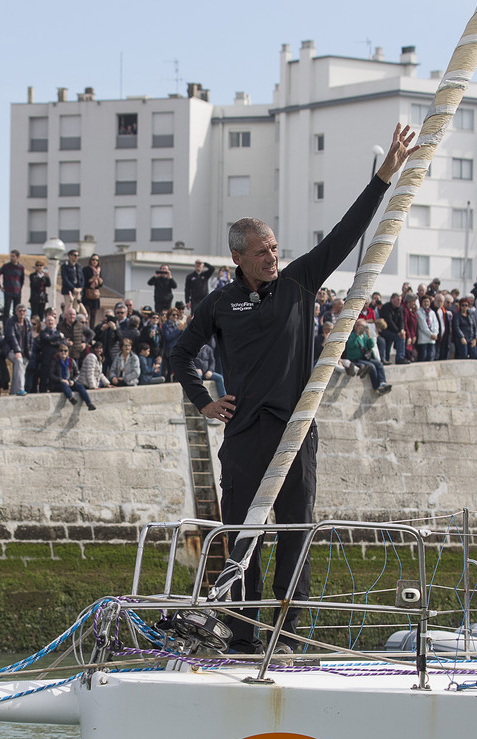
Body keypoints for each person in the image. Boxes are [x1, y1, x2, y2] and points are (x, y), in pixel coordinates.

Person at [169, 122, 416, 653]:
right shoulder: (219, 304)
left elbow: (345, 236)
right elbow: (180, 354)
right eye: (261, 251)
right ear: (238, 256)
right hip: (243, 438)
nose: (271, 257)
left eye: (274, 247)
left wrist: (386, 174)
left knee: (294, 535)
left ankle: (290, 637)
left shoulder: (299, 283)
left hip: (295, 433)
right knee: (242, 540)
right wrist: (206, 402)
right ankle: (241, 637)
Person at [0, 250, 26, 320]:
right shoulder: (6, 266)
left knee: (17, 311)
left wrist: (19, 288)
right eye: (11, 256)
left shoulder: (21, 268)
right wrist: (0, 286)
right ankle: (6, 326)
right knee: (6, 310)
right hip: (8, 291)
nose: (11, 258)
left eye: (13, 256)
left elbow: (22, 279)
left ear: (17, 257)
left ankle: (16, 325)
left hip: (17, 291)